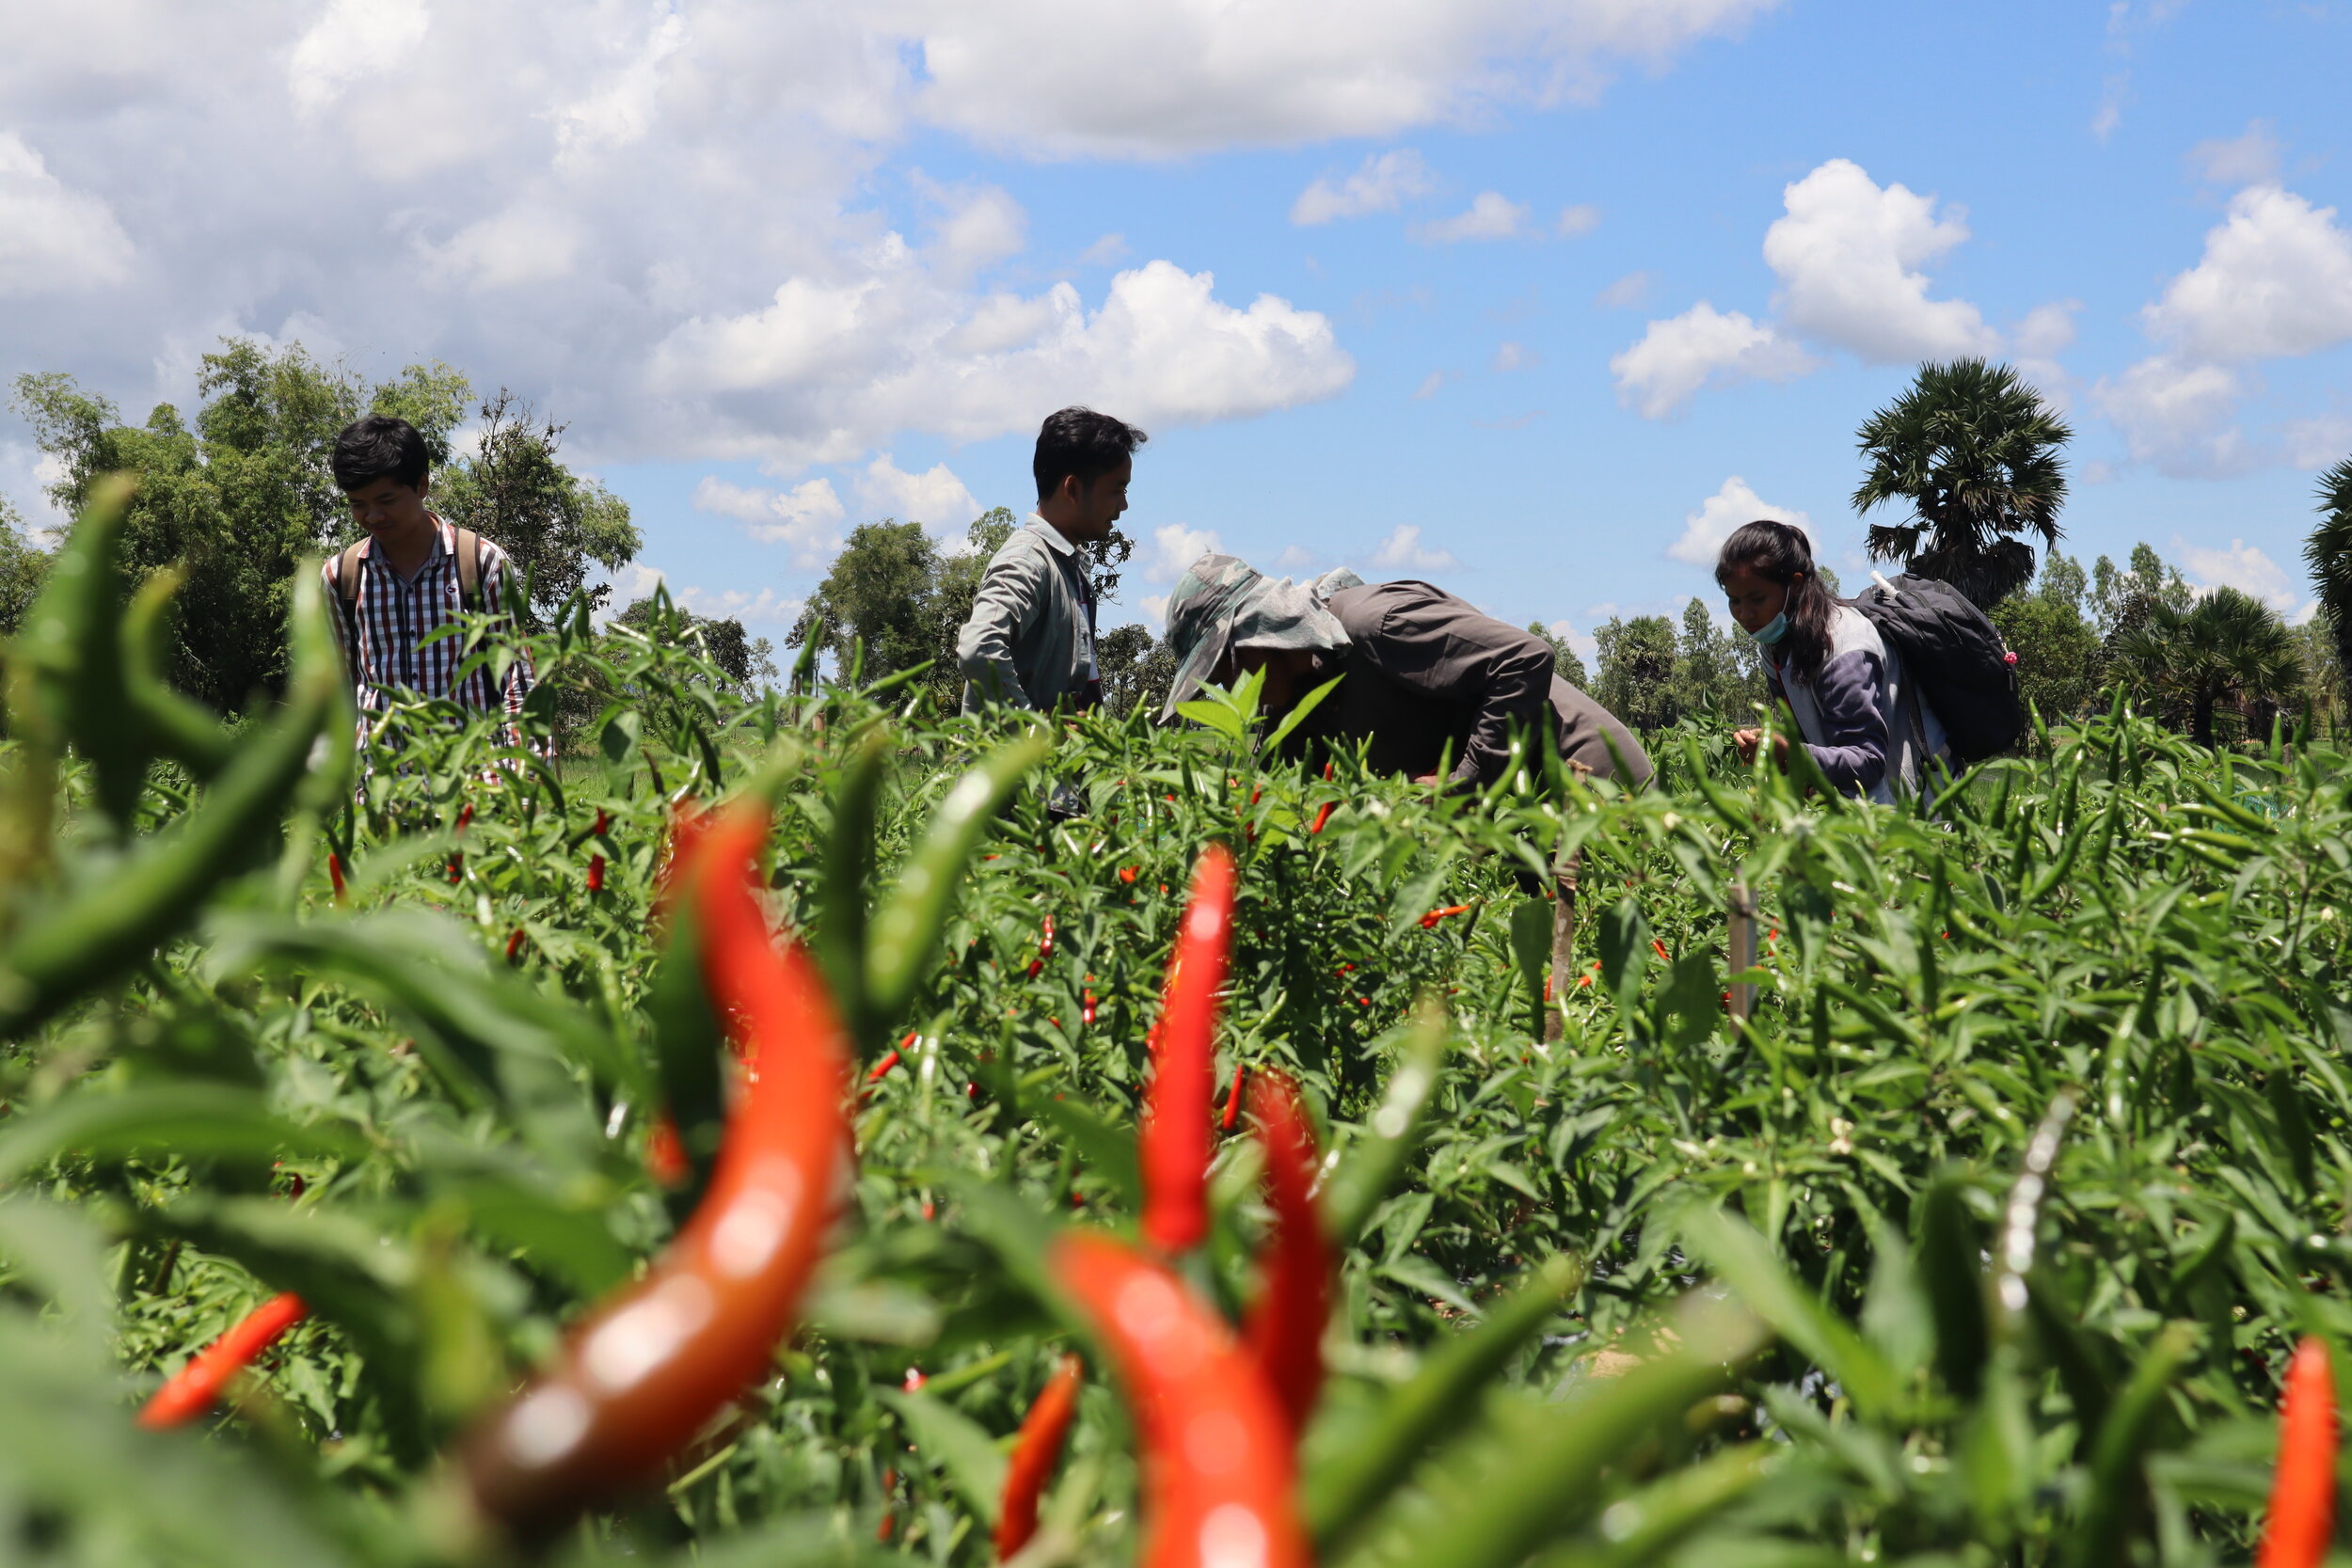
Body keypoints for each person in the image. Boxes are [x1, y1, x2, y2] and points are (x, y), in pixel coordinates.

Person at [1159, 554, 1653, 792]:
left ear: (1257, 634)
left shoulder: (1373, 623)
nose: (1227, 689)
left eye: (1224, 668)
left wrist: (1461, 785)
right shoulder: (1298, 701)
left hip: (1589, 778)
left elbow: (1523, 659)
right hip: (1521, 811)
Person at [322, 414, 534, 752]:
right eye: (357, 504)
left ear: (422, 485)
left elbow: (516, 679)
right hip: (383, 775)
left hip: (474, 773)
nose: (373, 516)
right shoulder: (342, 576)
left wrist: (525, 770)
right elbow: (340, 688)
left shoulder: (480, 563)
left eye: (387, 501)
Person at [1716, 519, 1945, 802]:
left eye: (1757, 599)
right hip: (1857, 810)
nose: (1744, 614)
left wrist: (1793, 755)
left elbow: (1868, 761)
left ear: (1795, 585)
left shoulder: (1845, 648)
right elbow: (1808, 739)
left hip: (1913, 808)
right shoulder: (1775, 643)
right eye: (1734, 601)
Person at [956, 407, 1146, 715]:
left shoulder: (1068, 566)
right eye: (1117, 489)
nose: (1123, 504)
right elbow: (980, 648)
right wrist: (1034, 730)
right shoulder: (1027, 560)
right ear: (1073, 489)